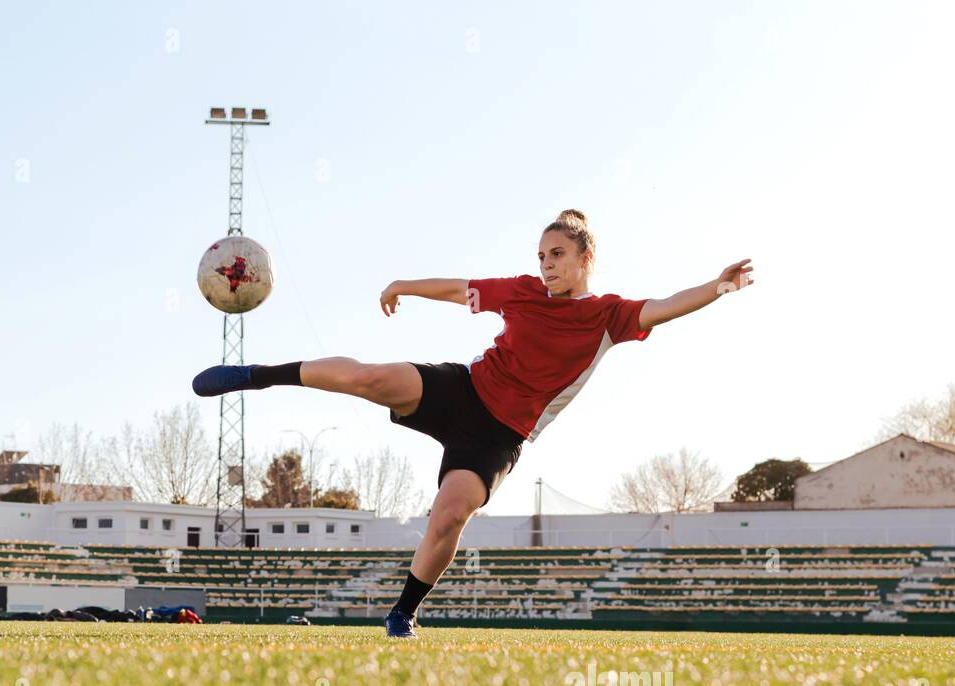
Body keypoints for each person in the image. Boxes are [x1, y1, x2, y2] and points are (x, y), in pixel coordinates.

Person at [192, 209, 755, 637]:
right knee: (370, 378)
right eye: (541, 256)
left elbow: (665, 305)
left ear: (585, 259)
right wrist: (404, 285)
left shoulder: (608, 315)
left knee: (448, 517)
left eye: (557, 254)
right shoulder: (525, 292)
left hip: (497, 437)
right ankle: (257, 374)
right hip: (462, 389)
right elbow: (461, 289)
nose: (546, 265)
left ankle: (402, 615)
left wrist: (719, 285)